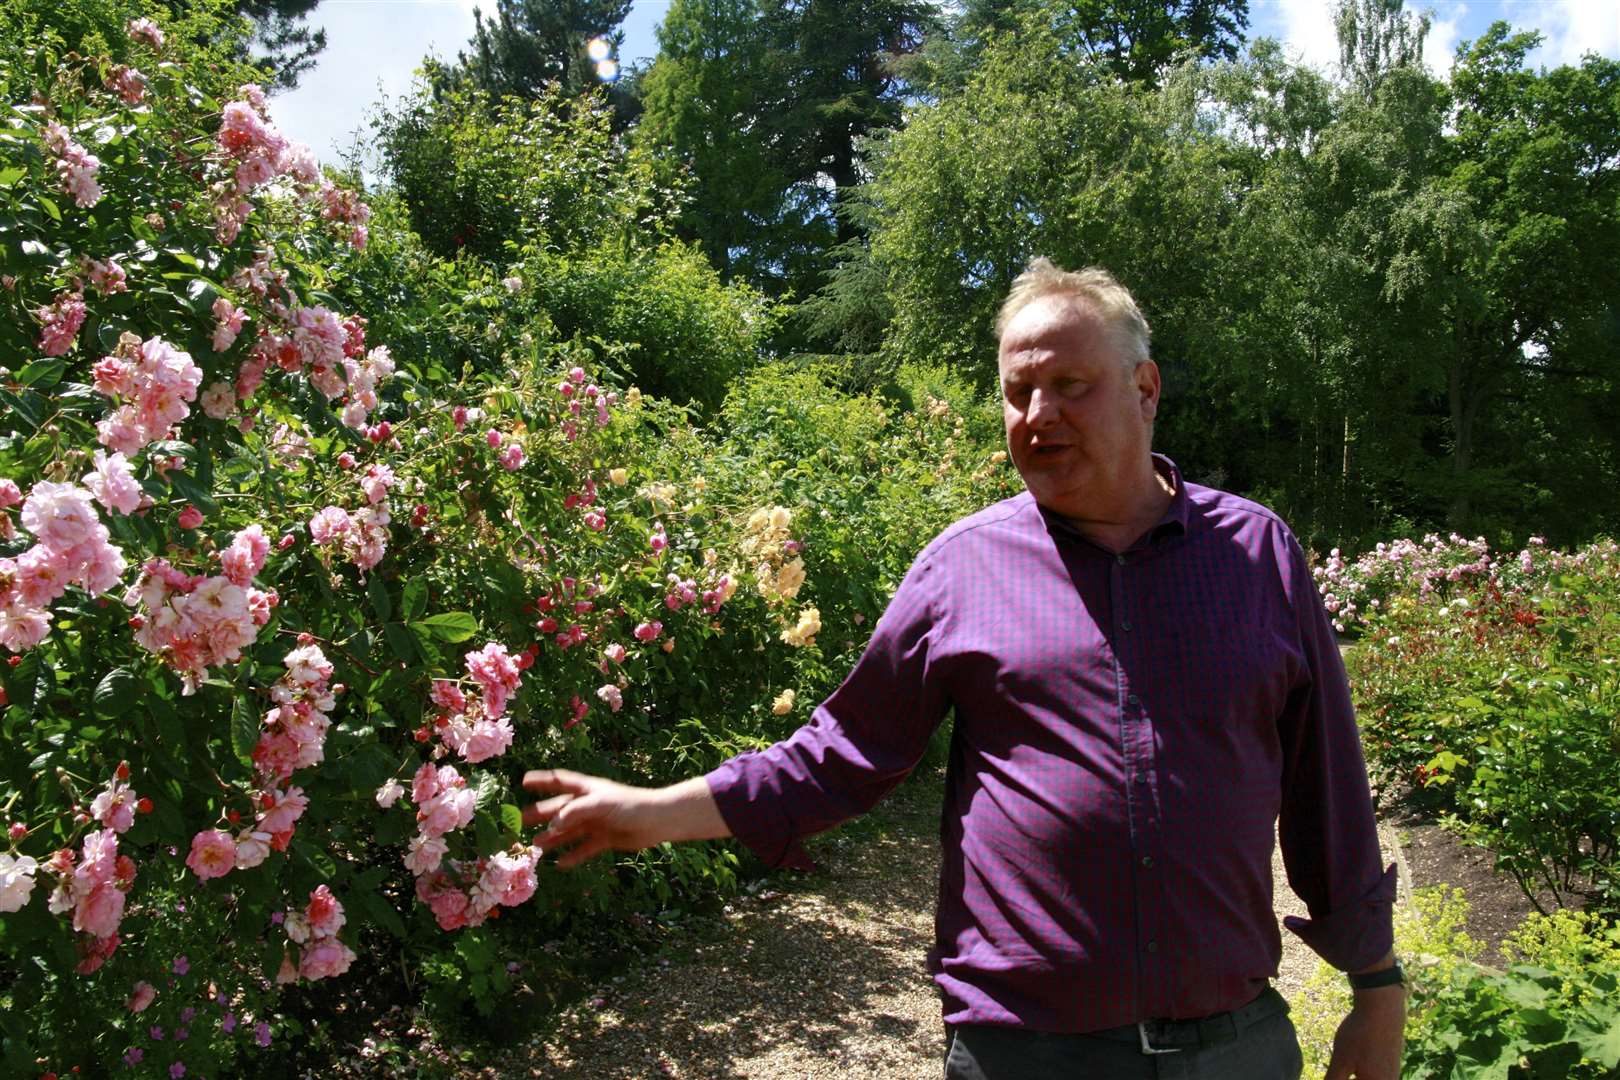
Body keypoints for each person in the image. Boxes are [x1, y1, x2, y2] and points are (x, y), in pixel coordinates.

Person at [522, 260, 1406, 1079]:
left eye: (1069, 385)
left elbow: (1324, 777)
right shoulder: (963, 569)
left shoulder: (1256, 554)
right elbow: (841, 753)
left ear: (1146, 389)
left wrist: (1375, 984)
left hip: (1232, 1047)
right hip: (1028, 1055)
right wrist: (653, 814)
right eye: (1018, 392)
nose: (1038, 415)